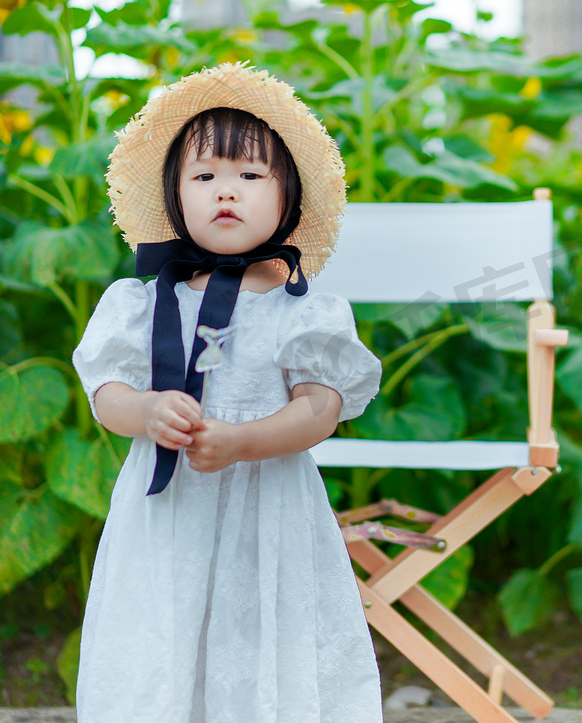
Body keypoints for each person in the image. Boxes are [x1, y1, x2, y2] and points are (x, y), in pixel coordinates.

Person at [71, 62, 383, 723]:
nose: (226, 191)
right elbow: (107, 393)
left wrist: (245, 439)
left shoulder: (303, 311)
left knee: (266, 626)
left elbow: (320, 408)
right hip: (168, 513)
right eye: (205, 176)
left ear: (288, 200)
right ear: (174, 196)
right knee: (164, 624)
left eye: (250, 176)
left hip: (268, 503)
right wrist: (148, 409)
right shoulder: (140, 301)